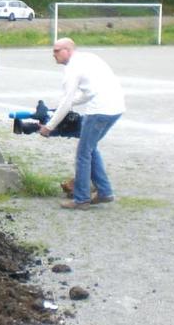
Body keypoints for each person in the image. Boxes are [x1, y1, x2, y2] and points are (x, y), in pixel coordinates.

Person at [40, 37, 125, 210]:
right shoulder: (89, 58)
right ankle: (104, 192)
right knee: (90, 149)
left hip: (99, 111)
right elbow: (88, 92)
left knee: (83, 154)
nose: (53, 55)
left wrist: (49, 126)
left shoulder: (72, 69)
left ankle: (81, 199)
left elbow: (66, 100)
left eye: (57, 51)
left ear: (68, 50)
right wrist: (68, 105)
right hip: (116, 108)